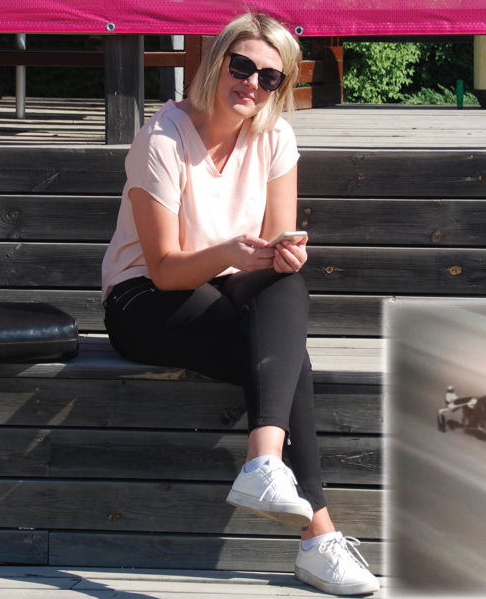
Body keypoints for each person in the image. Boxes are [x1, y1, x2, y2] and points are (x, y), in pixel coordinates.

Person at [100, 13, 378, 596]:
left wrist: (285, 255)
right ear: (216, 63)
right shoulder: (162, 137)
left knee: (286, 287)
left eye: (270, 77)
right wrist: (230, 251)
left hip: (224, 288)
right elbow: (164, 267)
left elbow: (274, 248)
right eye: (243, 66)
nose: (252, 83)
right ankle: (316, 535)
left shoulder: (275, 138)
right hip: (144, 299)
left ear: (281, 87)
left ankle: (265, 464)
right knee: (289, 361)